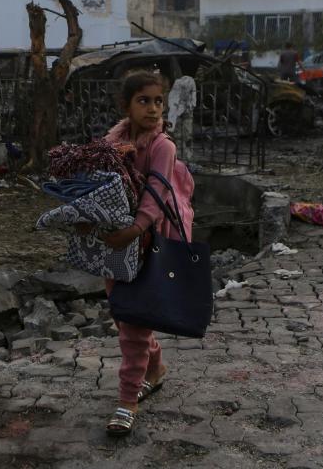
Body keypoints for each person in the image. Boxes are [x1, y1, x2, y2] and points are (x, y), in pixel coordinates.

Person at [98, 70, 196, 437]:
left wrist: (135, 230)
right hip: (116, 242)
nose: (154, 109)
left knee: (135, 323)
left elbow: (156, 193)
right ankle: (155, 368)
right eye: (144, 101)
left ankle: (127, 401)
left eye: (158, 101)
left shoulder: (162, 147)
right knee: (125, 316)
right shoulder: (112, 141)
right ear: (126, 105)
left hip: (149, 240)